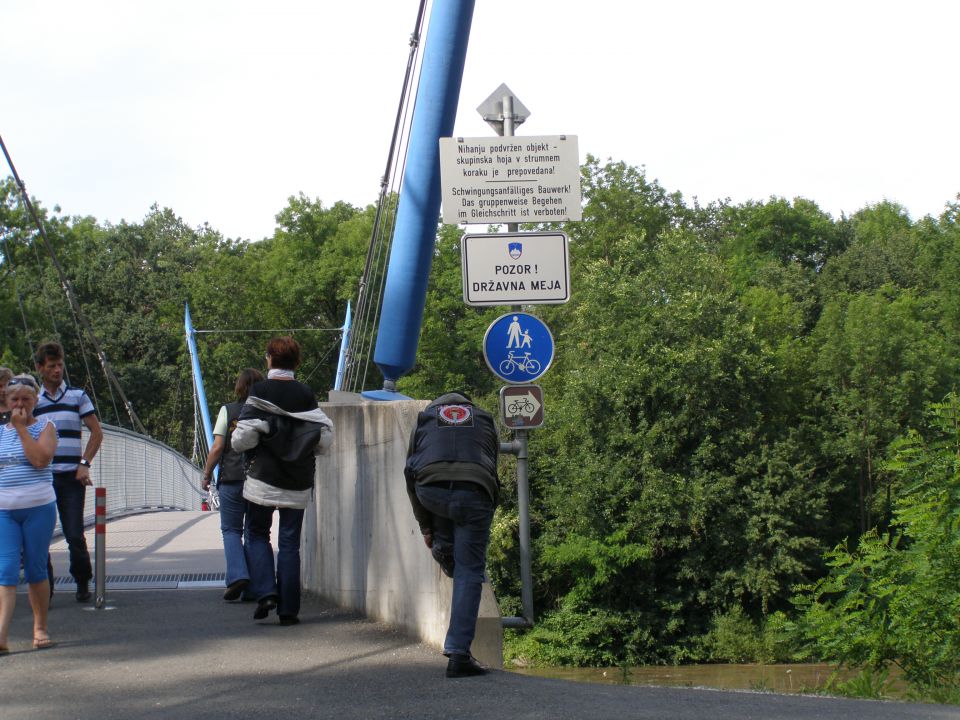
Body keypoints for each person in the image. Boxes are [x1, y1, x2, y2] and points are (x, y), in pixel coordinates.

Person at [232, 337, 333, 626]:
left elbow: (242, 440)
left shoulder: (260, 392)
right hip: (298, 481)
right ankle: (289, 610)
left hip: (262, 478)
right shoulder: (305, 394)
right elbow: (324, 439)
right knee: (289, 544)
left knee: (255, 533)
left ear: (268, 359)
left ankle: (266, 593)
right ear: (297, 362)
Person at [404, 391, 500, 678]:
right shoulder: (485, 418)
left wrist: (425, 528)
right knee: (470, 570)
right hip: (474, 491)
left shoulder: (424, 419)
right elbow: (492, 465)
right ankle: (459, 653)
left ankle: (444, 549)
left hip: (431, 489)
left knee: (446, 535)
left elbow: (410, 474)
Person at [33, 341, 103, 603]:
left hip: (71, 478)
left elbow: (97, 433)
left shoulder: (77, 396)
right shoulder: (34, 402)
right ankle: (46, 588)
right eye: (52, 366)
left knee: (74, 533)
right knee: (41, 536)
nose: (57, 370)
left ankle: (82, 580)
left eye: (60, 365)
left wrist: (83, 464)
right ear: (40, 368)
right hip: (42, 477)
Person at [0, 374, 59, 652]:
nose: (20, 404)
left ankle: (40, 628)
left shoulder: (46, 427)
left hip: (38, 508)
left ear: (36, 400)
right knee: (6, 570)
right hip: (4, 511)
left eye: (26, 399)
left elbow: (40, 459)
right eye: (14, 400)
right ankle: (1, 635)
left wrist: (22, 429)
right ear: (6, 402)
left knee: (36, 568)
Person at [202, 368, 264, 601]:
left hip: (231, 479)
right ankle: (253, 587)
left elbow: (217, 447)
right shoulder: (265, 411)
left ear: (238, 386)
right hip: (258, 478)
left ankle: (238, 575)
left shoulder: (228, 411)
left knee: (231, 529)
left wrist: (207, 474)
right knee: (253, 532)